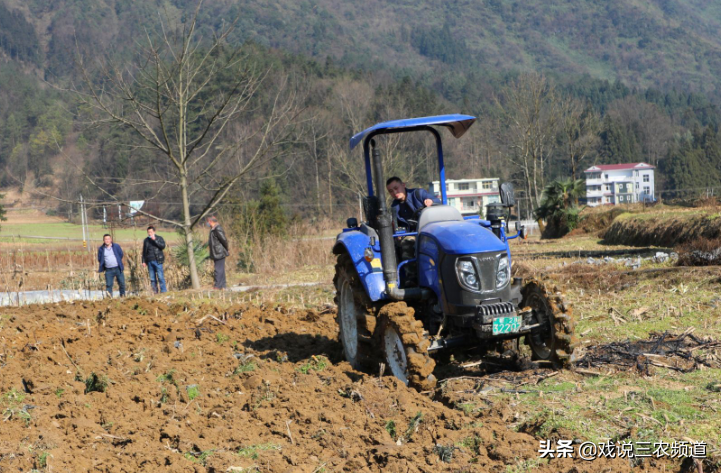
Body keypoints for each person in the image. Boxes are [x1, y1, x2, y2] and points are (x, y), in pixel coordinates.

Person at [385, 177, 440, 285]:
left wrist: (431, 201)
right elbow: (396, 225)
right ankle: (411, 279)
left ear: (403, 185)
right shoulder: (394, 207)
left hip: (429, 230)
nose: (395, 192)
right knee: (406, 242)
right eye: (391, 191)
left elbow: (437, 201)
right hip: (412, 235)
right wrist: (398, 233)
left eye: (396, 188)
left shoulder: (418, 194)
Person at [142, 225, 167, 293]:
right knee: (152, 278)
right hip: (149, 261)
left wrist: (155, 240)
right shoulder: (146, 240)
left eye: (151, 232)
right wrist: (143, 261)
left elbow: (162, 246)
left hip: (158, 260)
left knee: (160, 277)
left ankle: (163, 291)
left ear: (154, 232)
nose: (150, 233)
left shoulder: (159, 238)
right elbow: (144, 251)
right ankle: (155, 292)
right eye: (148, 232)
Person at [207, 216, 229, 289]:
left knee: (218, 269)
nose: (207, 223)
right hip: (217, 252)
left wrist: (226, 248)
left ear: (210, 221)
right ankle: (222, 285)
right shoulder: (213, 229)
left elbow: (224, 240)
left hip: (219, 252)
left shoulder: (217, 228)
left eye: (208, 221)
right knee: (220, 269)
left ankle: (218, 285)